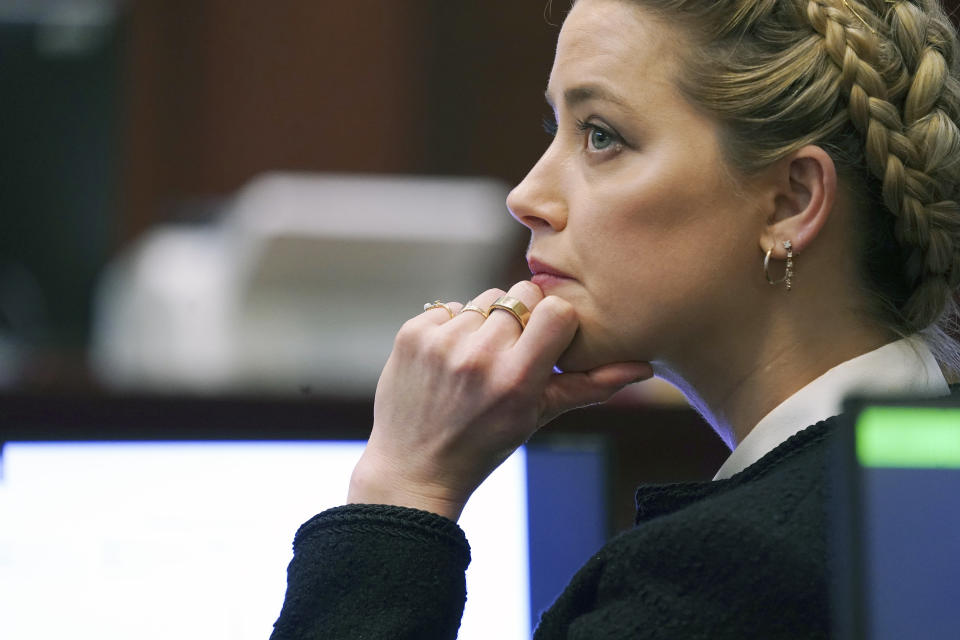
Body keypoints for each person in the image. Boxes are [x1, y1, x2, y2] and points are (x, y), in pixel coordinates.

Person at [270, 0, 960, 637]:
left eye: (601, 135)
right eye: (556, 128)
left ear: (789, 202)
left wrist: (401, 488)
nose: (526, 196)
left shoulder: (729, 575)